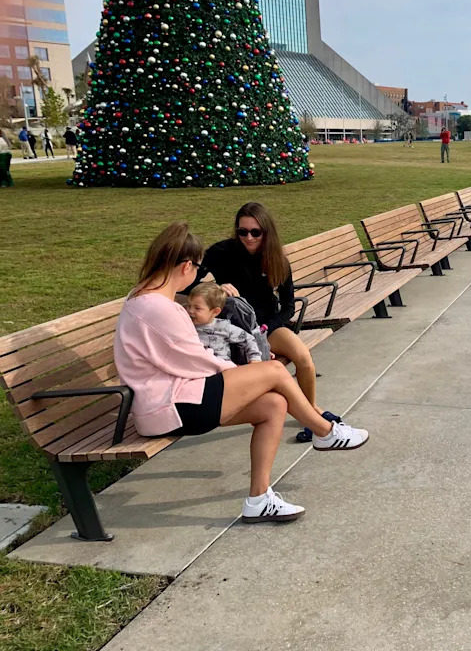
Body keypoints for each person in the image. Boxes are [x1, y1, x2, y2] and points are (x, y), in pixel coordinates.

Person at [115, 222, 369, 523]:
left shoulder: (146, 297)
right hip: (169, 406)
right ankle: (324, 431)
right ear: (186, 266)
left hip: (176, 398)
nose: (199, 274)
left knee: (274, 405)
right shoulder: (158, 307)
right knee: (273, 370)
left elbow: (187, 358)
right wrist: (248, 372)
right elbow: (196, 360)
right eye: (198, 268)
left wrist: (249, 374)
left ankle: (259, 499)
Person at [190, 202, 332, 443]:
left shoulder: (276, 259)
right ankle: (303, 417)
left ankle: (311, 411)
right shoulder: (221, 252)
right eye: (242, 231)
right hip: (232, 328)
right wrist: (215, 289)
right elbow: (188, 283)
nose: (248, 237)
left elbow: (289, 306)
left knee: (303, 357)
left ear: (266, 232)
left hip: (266, 325)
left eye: (255, 232)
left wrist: (267, 329)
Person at [187, 282, 263, 364]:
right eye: (189, 306)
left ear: (215, 312)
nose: (190, 311)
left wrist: (255, 358)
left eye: (197, 308)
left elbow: (248, 339)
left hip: (223, 369)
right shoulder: (185, 323)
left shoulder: (224, 327)